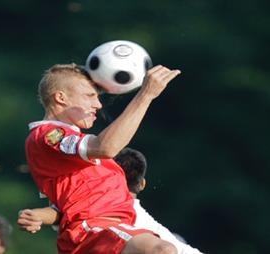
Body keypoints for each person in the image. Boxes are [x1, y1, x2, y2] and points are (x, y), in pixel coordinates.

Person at [24, 63, 181, 253]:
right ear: (61, 97)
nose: (98, 105)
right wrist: (145, 95)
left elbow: (66, 206)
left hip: (107, 230)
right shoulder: (48, 134)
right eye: (90, 96)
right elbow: (106, 147)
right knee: (160, 250)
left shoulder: (70, 149)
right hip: (95, 230)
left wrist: (40, 215)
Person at [18, 148, 203, 254]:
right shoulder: (106, 209)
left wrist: (36, 215)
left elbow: (62, 213)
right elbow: (63, 213)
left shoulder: (101, 207)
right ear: (143, 184)